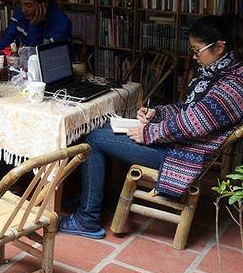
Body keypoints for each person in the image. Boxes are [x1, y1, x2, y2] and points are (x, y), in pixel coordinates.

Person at [60, 15, 243, 239]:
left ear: (219, 47)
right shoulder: (219, 72)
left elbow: (193, 124)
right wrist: (157, 113)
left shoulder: (233, 86)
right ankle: (92, 197)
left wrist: (149, 132)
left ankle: (87, 219)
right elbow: (187, 110)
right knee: (101, 127)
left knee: (93, 139)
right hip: (179, 145)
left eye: (197, 51)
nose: (194, 57)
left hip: (183, 156)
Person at [0, 0, 72, 187]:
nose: (23, 9)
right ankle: (0, 165)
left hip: (49, 82)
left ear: (44, 4)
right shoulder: (21, 14)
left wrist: (34, 26)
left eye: (29, 5)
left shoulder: (60, 23)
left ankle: (20, 170)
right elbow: (7, 38)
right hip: (19, 77)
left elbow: (35, 57)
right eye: (21, 4)